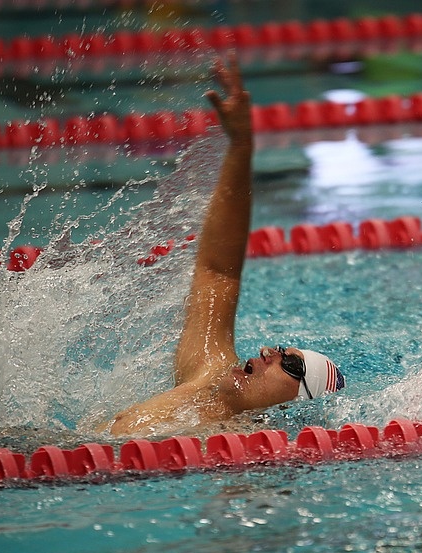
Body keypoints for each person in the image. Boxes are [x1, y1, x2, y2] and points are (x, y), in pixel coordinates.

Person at [102, 56, 345, 436]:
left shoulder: (228, 442)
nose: (268, 352)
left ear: (296, 403)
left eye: (290, 364)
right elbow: (218, 270)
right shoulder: (209, 369)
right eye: (281, 350)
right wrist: (242, 146)